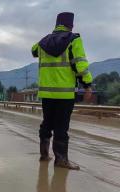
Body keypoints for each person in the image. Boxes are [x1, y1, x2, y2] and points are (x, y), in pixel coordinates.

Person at [31, 12, 93, 170]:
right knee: (61, 127)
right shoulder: (74, 40)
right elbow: (80, 65)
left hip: (46, 93)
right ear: (70, 25)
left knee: (47, 123)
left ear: (57, 24)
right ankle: (61, 159)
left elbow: (33, 51)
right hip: (65, 94)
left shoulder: (43, 42)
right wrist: (87, 85)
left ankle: (44, 155)